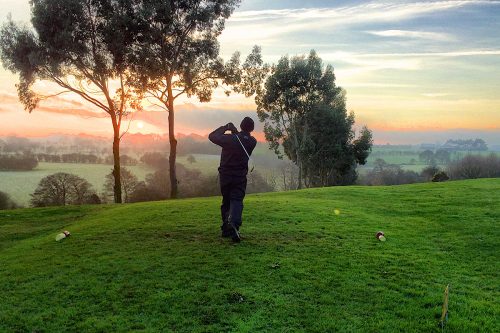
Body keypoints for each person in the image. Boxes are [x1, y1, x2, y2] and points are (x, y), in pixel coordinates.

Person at [208, 117, 257, 242]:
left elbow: (212, 136)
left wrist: (226, 128)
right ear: (252, 129)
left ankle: (227, 228)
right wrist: (236, 133)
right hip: (240, 176)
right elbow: (242, 140)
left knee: (227, 201)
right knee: (237, 200)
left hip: (225, 175)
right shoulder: (252, 141)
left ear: (240, 126)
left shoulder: (230, 139)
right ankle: (234, 224)